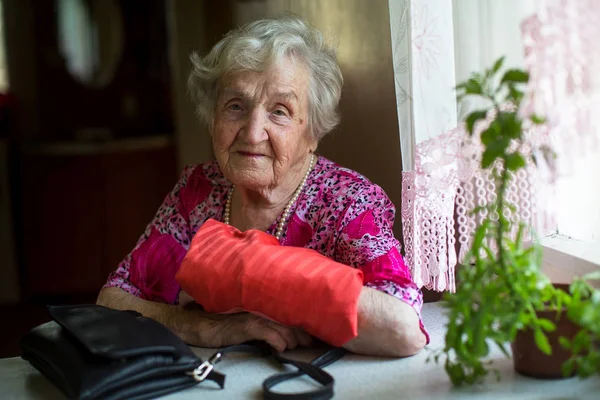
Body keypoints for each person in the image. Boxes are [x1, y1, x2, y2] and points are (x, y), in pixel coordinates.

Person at [97, 15, 428, 357]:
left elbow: (403, 329)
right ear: (213, 117)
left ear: (311, 132)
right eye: (236, 106)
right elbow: (112, 300)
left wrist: (249, 266)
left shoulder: (347, 202)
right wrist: (207, 327)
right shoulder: (198, 192)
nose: (253, 133)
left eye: (280, 111)